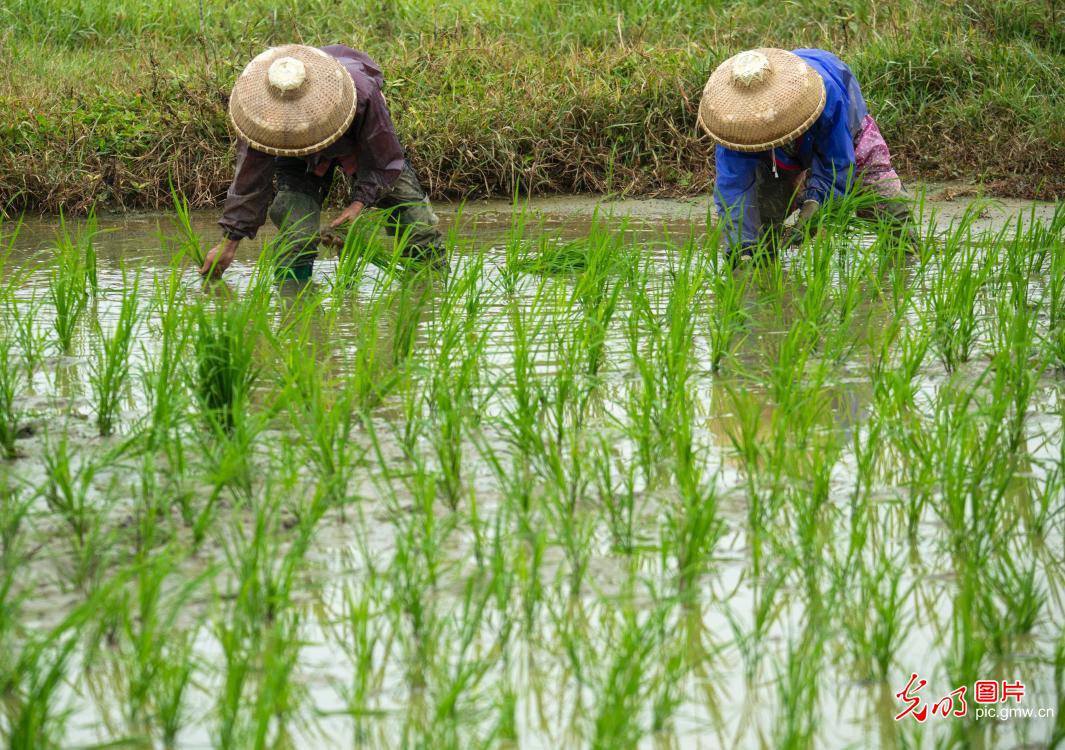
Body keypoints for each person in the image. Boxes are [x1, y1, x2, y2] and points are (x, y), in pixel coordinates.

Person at [202, 44, 445, 281]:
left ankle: (430, 286)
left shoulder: (362, 93)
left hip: (361, 143)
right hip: (297, 158)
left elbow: (385, 161)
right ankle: (293, 296)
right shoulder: (259, 116)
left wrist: (357, 206)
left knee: (418, 226)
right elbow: (250, 180)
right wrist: (229, 243)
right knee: (297, 236)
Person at [697, 47, 915, 261]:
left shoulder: (823, 92)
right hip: (775, 157)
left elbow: (837, 163)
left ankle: (906, 258)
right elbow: (733, 186)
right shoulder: (733, 124)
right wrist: (741, 242)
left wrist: (814, 206)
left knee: (889, 206)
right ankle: (764, 267)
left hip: (844, 134)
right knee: (761, 223)